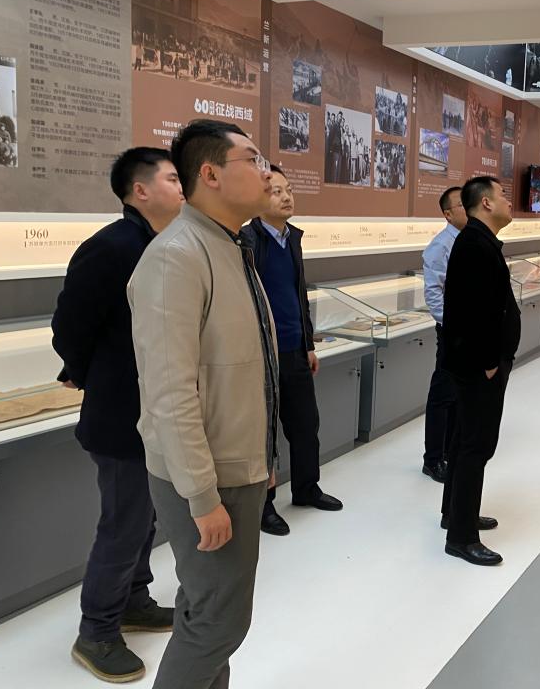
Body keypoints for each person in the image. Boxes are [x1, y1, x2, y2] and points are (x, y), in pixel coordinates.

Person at [128, 119, 277, 689]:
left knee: (207, 609)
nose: (266, 172)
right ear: (210, 174)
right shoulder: (176, 256)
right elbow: (169, 394)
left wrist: (262, 458)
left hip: (234, 466)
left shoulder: (230, 246)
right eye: (253, 159)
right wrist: (202, 495)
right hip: (207, 475)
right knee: (218, 622)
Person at [53, 147, 183, 683]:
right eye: (173, 178)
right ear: (140, 190)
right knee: (123, 524)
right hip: (120, 415)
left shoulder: (163, 244)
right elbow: (70, 325)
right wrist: (83, 372)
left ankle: (133, 600)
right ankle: (97, 631)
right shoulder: (111, 247)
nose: (183, 187)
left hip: (153, 412)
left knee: (145, 518)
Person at [242, 164, 343, 537]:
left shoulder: (291, 238)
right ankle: (264, 505)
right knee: (264, 433)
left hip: (295, 350)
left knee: (305, 424)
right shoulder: (247, 241)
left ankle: (306, 487)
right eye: (275, 191)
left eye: (288, 190)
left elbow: (298, 294)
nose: (285, 197)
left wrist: (307, 343)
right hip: (261, 356)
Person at [440, 177, 520, 566]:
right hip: (478, 368)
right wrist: (490, 363)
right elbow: (475, 314)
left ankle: (455, 514)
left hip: (474, 365)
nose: (509, 201)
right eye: (502, 195)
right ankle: (461, 537)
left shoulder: (478, 241)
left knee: (463, 440)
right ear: (486, 203)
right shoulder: (475, 244)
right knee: (476, 446)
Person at [420, 186, 468, 483]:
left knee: (458, 394)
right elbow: (434, 294)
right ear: (448, 214)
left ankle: (449, 451)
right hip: (452, 331)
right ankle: (434, 459)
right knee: (443, 394)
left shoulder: (468, 240)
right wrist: (452, 327)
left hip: (467, 331)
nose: (468, 208)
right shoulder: (440, 246)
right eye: (462, 204)